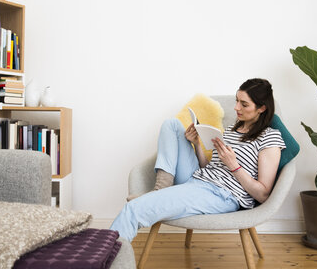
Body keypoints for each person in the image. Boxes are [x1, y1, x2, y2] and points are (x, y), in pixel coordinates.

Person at [110, 78, 286, 241]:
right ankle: (161, 188)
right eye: (237, 101)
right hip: (198, 178)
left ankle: (104, 263)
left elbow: (263, 195)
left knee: (133, 209)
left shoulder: (269, 138)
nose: (236, 108)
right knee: (172, 125)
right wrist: (197, 144)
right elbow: (209, 167)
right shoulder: (233, 129)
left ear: (261, 108)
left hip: (222, 195)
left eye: (244, 104)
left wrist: (234, 166)